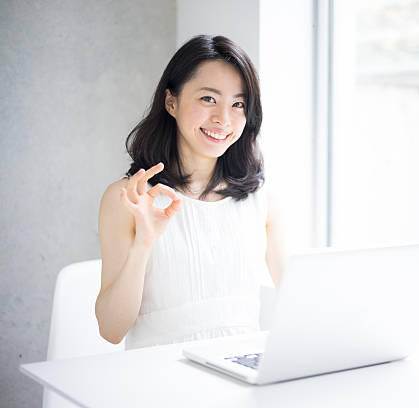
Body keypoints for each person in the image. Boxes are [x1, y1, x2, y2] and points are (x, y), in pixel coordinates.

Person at [95, 35, 285, 349]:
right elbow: (111, 330)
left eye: (238, 104)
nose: (223, 119)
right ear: (172, 102)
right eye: (208, 99)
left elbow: (301, 301)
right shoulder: (129, 198)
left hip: (240, 381)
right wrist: (144, 243)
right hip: (161, 382)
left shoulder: (263, 201)